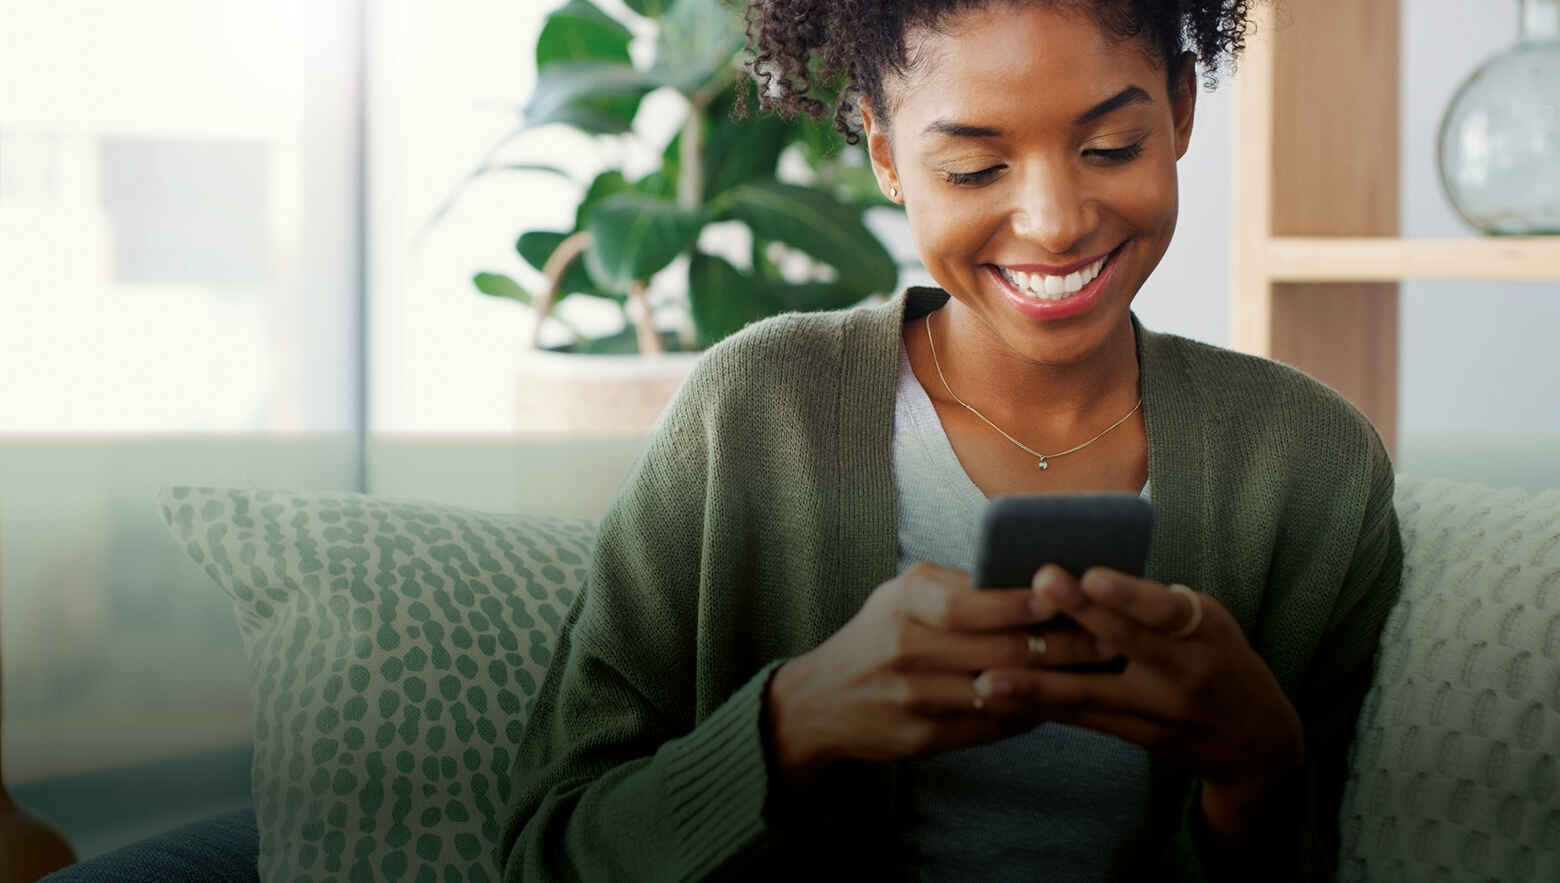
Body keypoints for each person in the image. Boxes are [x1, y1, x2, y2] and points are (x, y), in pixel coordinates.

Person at [497, 0, 1404, 880]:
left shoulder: (1312, 465)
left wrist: (1254, 770)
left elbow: (1354, 848)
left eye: (1110, 148)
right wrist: (792, 722)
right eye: (973, 167)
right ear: (887, 155)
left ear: (1179, 109)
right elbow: (553, 850)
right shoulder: (754, 415)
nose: (1055, 221)